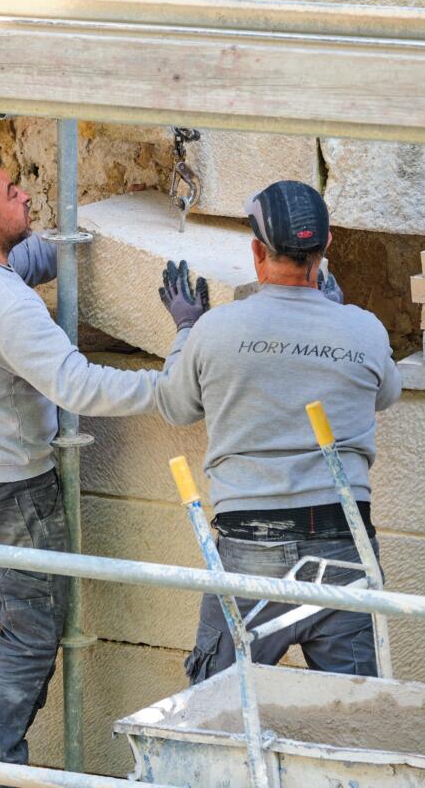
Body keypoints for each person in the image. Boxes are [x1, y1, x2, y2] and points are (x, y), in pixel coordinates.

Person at [0, 155, 208, 788]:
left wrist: (84, 236)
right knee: (29, 637)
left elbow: (19, 266)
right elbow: (77, 385)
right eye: (12, 192)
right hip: (11, 500)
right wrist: (174, 368)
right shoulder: (4, 306)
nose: (28, 193)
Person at [155, 179, 402, 683]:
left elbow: (175, 406)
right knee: (355, 715)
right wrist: (336, 318)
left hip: (252, 548)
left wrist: (186, 330)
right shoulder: (364, 327)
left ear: (255, 251)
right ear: (326, 247)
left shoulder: (216, 329)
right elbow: (385, 393)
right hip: (345, 542)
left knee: (219, 711)